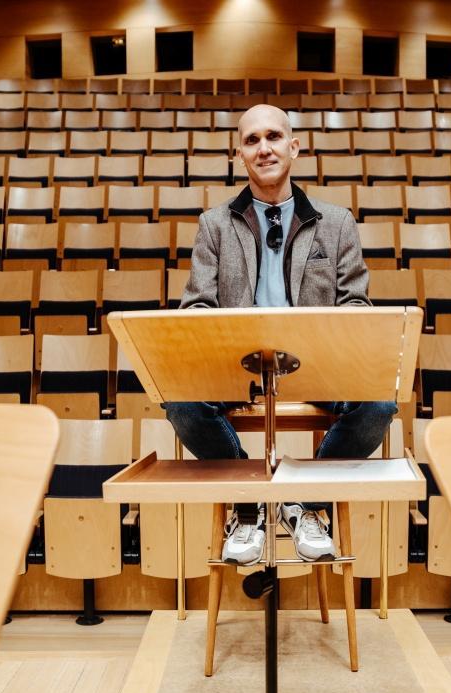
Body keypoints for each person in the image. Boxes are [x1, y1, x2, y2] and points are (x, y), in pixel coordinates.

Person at [165, 104, 397, 567]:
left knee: (379, 405)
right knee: (181, 404)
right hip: (236, 368)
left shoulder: (336, 222)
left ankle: (305, 505)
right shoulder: (214, 225)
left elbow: (356, 303)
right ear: (239, 154)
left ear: (294, 147)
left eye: (273, 137)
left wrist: (320, 339)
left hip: (317, 366)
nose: (263, 148)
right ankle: (250, 506)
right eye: (251, 140)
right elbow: (196, 307)